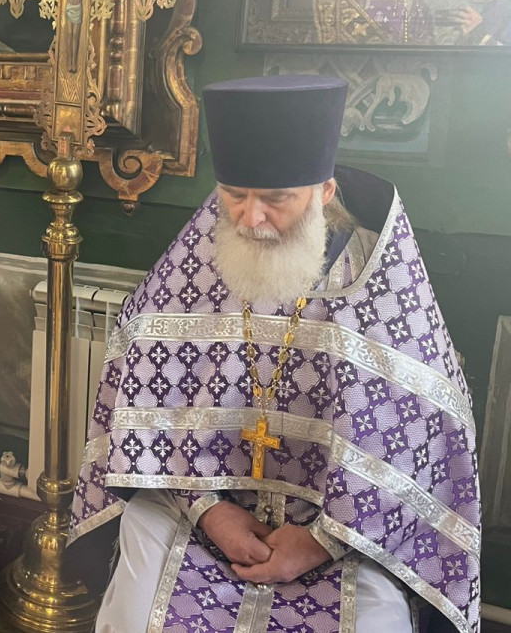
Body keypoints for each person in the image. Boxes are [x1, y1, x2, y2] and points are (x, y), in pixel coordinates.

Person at [71, 75, 480, 633]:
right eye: (234, 195)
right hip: (196, 504)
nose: (250, 218)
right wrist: (211, 511)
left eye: (276, 199)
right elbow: (144, 410)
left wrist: (319, 542)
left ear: (324, 192)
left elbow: (419, 443)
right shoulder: (194, 267)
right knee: (136, 616)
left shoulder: (378, 284)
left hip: (347, 530)